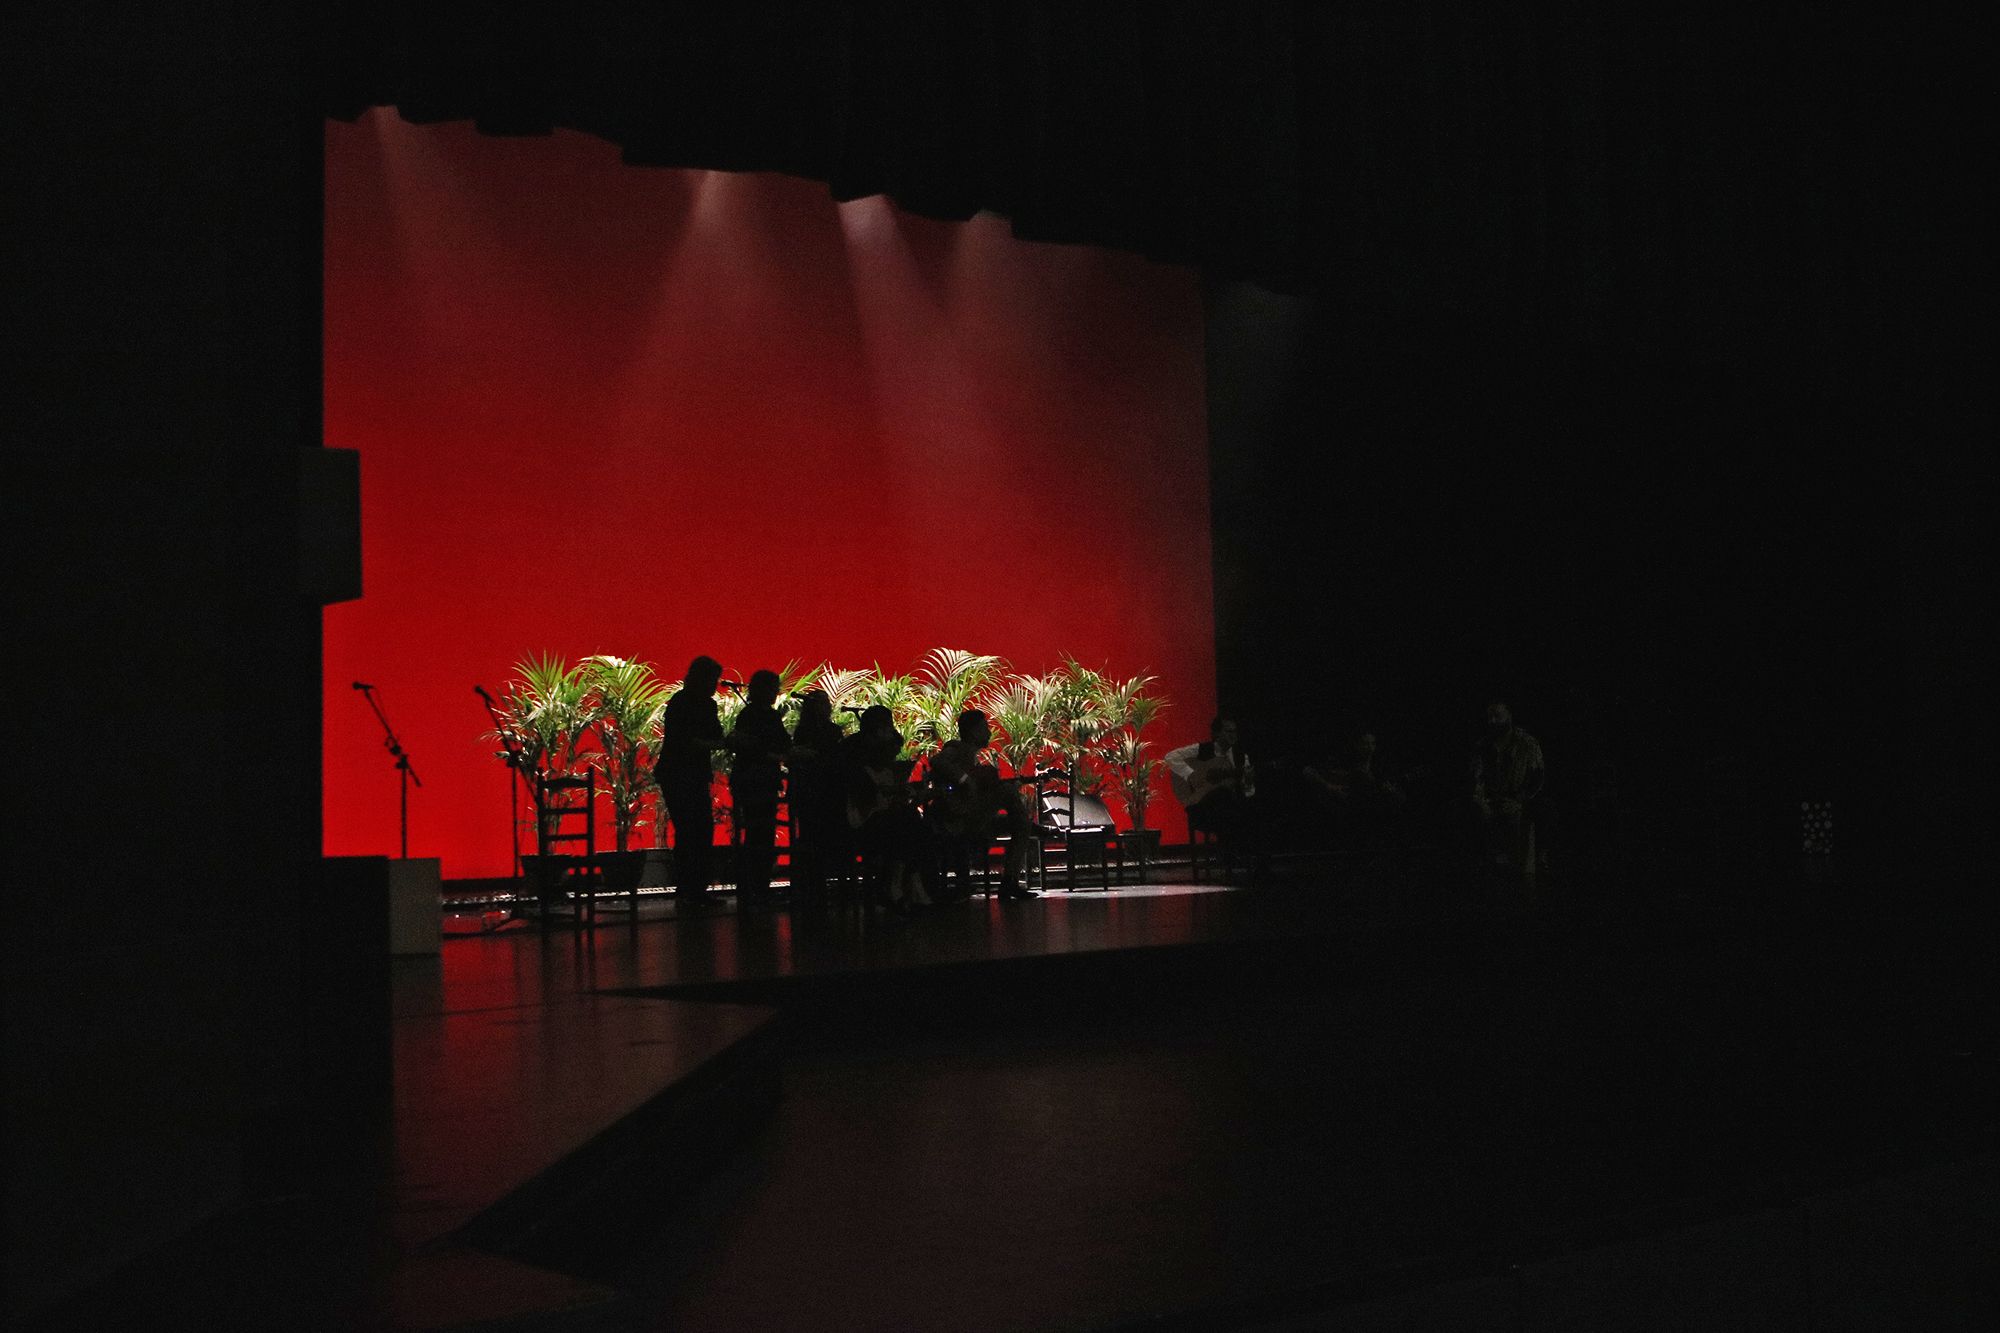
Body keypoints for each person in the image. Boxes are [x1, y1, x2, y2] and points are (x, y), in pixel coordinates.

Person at [927, 708, 1039, 901]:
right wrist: (965, 780)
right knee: (1008, 793)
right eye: (985, 727)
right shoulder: (957, 748)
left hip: (973, 816)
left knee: (1021, 825)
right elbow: (938, 761)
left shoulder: (973, 758)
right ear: (973, 731)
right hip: (958, 819)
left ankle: (1009, 881)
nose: (989, 732)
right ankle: (1011, 878)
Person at [840, 705, 930, 913]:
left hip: (876, 818)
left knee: (914, 824)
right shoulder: (855, 757)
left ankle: (901, 885)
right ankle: (900, 886)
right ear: (879, 731)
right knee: (907, 822)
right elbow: (865, 797)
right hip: (856, 823)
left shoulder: (874, 757)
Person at [655, 656, 725, 904]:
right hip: (679, 772)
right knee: (691, 831)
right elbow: (693, 740)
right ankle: (690, 890)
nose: (715, 685)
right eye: (712, 680)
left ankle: (693, 890)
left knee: (697, 831)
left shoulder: (695, 703)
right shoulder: (684, 703)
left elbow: (712, 735)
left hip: (685, 772)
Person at [1164, 715, 1266, 879]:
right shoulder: (1202, 750)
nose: (1233, 735)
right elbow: (1170, 757)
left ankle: (1258, 866)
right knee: (1222, 796)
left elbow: (1248, 792)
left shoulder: (1241, 758)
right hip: (1203, 808)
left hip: (1229, 809)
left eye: (1235, 731)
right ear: (1217, 734)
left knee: (1252, 807)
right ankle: (1230, 853)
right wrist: (1191, 775)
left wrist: (1248, 783)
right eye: (1228, 731)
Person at [726, 669, 790, 906]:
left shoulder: (756, 715)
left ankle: (757, 887)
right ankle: (757, 887)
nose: (777, 692)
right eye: (774, 687)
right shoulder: (758, 716)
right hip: (755, 780)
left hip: (755, 779)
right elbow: (767, 746)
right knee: (758, 834)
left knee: (760, 834)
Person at [785, 689, 848, 909]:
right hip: (812, 791)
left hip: (829, 790)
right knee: (811, 835)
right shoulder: (805, 731)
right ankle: (813, 884)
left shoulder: (831, 730)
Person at [1305, 727, 1407, 855]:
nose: (1369, 748)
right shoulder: (1346, 764)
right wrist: (1329, 786)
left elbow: (1399, 797)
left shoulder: (1380, 768)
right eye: (1365, 743)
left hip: (1370, 813)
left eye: (1372, 744)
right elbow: (1308, 771)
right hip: (1349, 811)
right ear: (1357, 745)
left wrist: (1391, 792)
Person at [1470, 701, 1545, 870]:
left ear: (1509, 715)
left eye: (1497, 716)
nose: (1493, 721)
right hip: (1491, 800)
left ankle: (1535, 860)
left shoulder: (1527, 743)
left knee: (1543, 810)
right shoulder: (1483, 746)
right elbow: (1477, 779)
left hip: (1518, 798)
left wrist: (1520, 800)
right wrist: (1481, 801)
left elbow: (1537, 777)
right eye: (1490, 717)